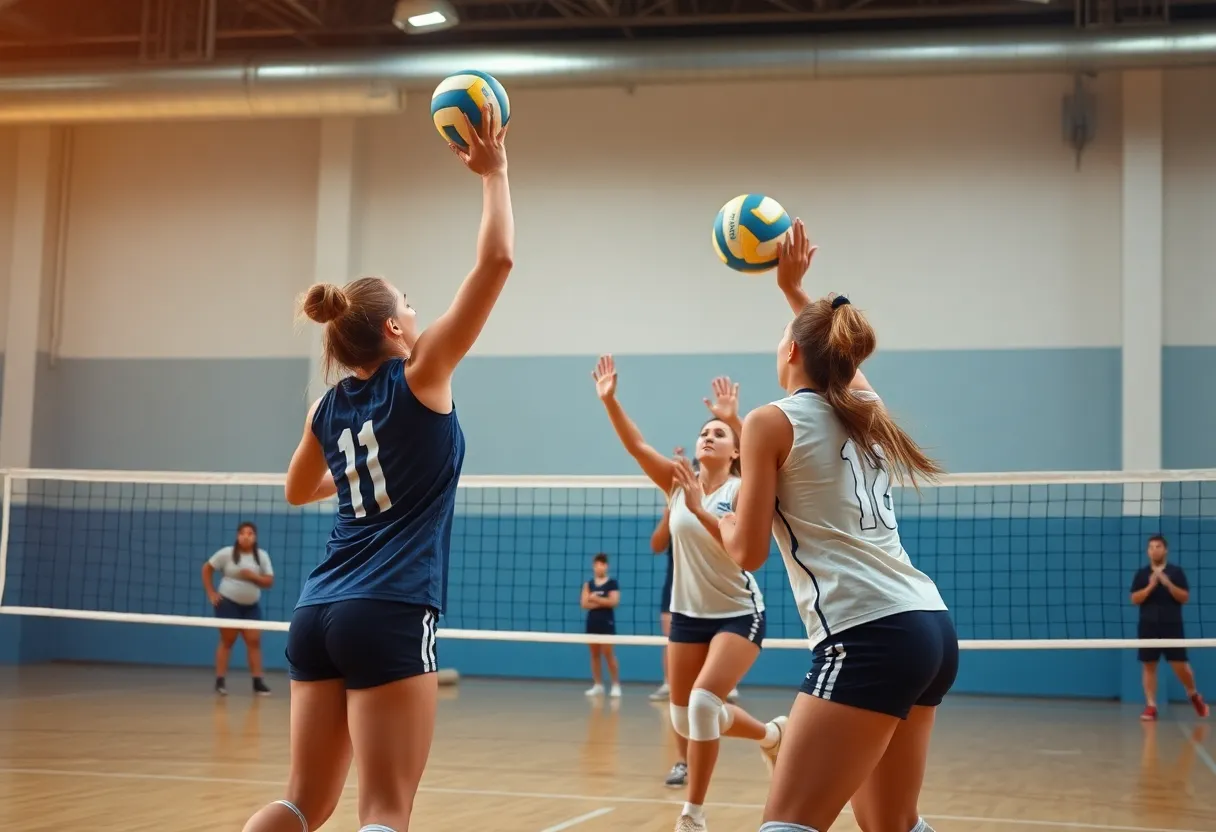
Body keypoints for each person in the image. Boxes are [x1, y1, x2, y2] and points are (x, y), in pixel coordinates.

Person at [240, 105, 512, 832]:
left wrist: (355, 470)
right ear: (394, 329)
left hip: (316, 611)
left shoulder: (328, 408)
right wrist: (496, 175)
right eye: (412, 306)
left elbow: (298, 490)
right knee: (386, 810)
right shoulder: (420, 374)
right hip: (389, 609)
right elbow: (496, 264)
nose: (420, 315)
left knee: (302, 803)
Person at [719, 218, 958, 832]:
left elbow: (747, 553)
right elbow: (842, 363)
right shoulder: (866, 411)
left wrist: (713, 515)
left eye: (782, 337)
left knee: (789, 822)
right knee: (892, 824)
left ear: (792, 351)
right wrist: (795, 293)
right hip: (928, 626)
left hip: (868, 633)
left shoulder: (770, 420)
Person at [592, 357, 783, 832]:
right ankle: (770, 735)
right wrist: (610, 400)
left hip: (739, 613)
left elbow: (742, 551)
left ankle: (692, 815)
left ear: (736, 452)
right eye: (704, 432)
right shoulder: (678, 484)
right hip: (687, 615)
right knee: (685, 719)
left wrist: (735, 422)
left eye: (719, 434)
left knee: (702, 705)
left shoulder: (743, 490)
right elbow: (637, 446)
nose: (707, 437)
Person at [1131, 534, 1209, 721]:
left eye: (1158, 546)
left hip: (1172, 625)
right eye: (1151, 547)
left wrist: (1167, 583)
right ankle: (1151, 705)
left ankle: (1192, 693)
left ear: (1165, 550)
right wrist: (1150, 587)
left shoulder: (1176, 572)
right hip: (1148, 626)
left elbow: (1184, 597)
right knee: (1149, 665)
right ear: (1147, 551)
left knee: (1180, 665)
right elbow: (1134, 599)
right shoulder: (1142, 574)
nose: (1154, 550)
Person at [202, 521, 273, 697]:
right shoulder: (226, 554)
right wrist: (211, 593)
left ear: (255, 537)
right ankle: (220, 681)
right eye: (242, 533)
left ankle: (258, 682)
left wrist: (253, 576)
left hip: (251, 607)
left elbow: (269, 582)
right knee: (228, 641)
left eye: (250, 533)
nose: (246, 536)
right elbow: (207, 569)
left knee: (254, 642)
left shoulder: (261, 556)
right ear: (237, 536)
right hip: (228, 604)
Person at [582, 552, 622, 698]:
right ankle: (598, 685)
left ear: (606, 566)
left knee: (608, 654)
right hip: (592, 622)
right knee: (594, 654)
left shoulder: (612, 583)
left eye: (603, 564)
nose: (600, 567)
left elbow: (614, 602)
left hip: (607, 622)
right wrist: (602, 601)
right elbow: (584, 603)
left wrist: (595, 599)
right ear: (593, 566)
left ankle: (616, 685)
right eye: (597, 564)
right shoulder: (588, 584)